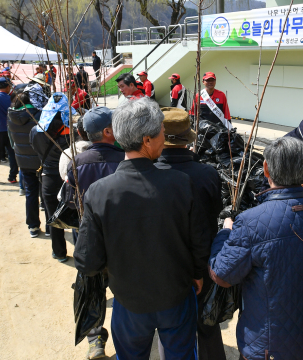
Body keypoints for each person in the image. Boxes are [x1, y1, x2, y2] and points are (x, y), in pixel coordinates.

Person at [74, 97, 210, 359]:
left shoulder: (99, 192)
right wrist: (197, 273)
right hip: (177, 297)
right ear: (147, 140)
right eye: (161, 131)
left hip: (128, 302)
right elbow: (199, 241)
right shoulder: (180, 184)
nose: (164, 137)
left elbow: (87, 261)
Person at [210, 136, 303, 360]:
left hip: (265, 345)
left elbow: (223, 275)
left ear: (266, 169)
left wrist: (225, 233)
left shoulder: (251, 221)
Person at [155, 107, 226, 360]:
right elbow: (216, 211)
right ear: (188, 139)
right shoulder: (208, 174)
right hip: (204, 257)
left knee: (170, 327)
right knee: (207, 321)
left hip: (165, 261)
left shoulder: (152, 174)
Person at [64, 107, 124, 359]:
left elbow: (70, 203)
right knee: (123, 290)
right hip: (122, 241)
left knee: (93, 290)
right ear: (108, 132)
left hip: (90, 240)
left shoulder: (76, 164)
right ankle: (127, 335)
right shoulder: (126, 160)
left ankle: (95, 340)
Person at [30, 93, 73, 262]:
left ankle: (59, 252)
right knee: (77, 214)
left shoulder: (36, 131)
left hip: (48, 177)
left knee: (53, 216)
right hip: (67, 178)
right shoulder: (70, 133)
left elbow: (35, 148)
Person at [7, 91, 43, 238]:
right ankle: (50, 227)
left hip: (22, 159)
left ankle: (33, 226)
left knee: (30, 193)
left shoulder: (10, 116)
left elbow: (11, 140)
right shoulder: (38, 114)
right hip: (39, 159)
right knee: (46, 193)